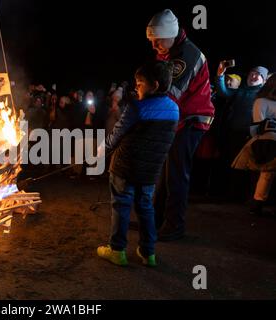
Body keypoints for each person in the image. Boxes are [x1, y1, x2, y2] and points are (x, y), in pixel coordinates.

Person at [97, 60, 179, 267]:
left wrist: (100, 151)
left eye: (140, 83)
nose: (136, 87)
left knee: (121, 207)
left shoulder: (137, 107)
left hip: (125, 168)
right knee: (146, 208)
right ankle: (148, 252)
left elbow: (116, 134)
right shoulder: (174, 109)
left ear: (155, 85)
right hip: (150, 171)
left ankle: (117, 251)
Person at [147, 9, 215, 241]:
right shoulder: (168, 52)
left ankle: (175, 226)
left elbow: (169, 93)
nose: (154, 45)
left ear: (171, 34)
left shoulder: (186, 55)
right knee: (164, 175)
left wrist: (142, 114)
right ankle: (155, 221)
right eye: (151, 41)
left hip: (191, 121)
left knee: (176, 174)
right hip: (175, 121)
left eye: (157, 40)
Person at [216, 64, 269, 201]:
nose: (253, 76)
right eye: (252, 73)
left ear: (263, 79)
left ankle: (245, 196)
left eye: (257, 74)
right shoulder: (241, 90)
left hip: (251, 135)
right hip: (233, 132)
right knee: (232, 163)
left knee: (248, 166)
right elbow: (224, 92)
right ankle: (231, 194)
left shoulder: (263, 94)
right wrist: (220, 76)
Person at [231, 74, 276, 216]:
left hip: (266, 139)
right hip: (267, 141)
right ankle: (256, 204)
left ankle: (257, 204)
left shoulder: (261, 101)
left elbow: (256, 126)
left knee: (266, 174)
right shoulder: (261, 101)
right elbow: (257, 125)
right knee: (266, 173)